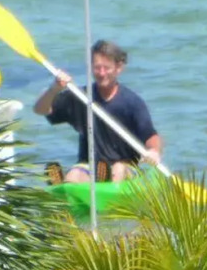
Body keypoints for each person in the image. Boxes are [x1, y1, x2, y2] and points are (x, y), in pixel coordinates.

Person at [33, 39, 162, 182]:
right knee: (74, 176)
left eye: (106, 68)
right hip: (89, 165)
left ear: (118, 68)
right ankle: (63, 186)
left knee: (117, 170)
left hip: (124, 166)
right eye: (97, 67)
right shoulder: (81, 96)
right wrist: (54, 89)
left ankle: (104, 183)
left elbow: (151, 136)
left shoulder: (132, 103)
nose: (101, 73)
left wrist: (154, 152)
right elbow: (40, 109)